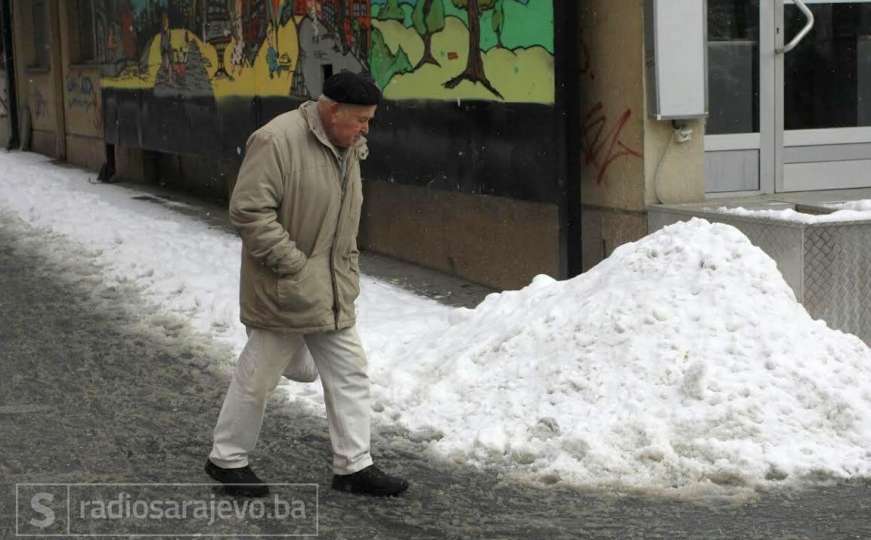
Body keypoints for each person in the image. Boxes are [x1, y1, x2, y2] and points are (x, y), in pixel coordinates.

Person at [205, 71, 409, 498]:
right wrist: (292, 264)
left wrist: (346, 269)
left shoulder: (348, 144)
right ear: (332, 110)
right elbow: (248, 211)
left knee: (349, 373)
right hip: (286, 287)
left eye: (370, 120)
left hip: (331, 288)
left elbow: (343, 221)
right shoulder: (276, 141)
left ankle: (353, 466)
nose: (366, 129)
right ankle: (226, 459)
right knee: (259, 375)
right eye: (361, 119)